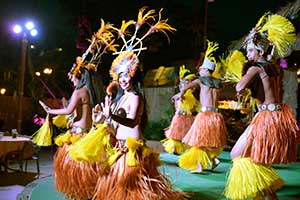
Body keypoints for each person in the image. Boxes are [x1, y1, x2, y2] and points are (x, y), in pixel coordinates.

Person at [92, 7, 186, 200]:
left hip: (132, 150)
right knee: (116, 188)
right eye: (120, 76)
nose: (123, 79)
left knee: (130, 188)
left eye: (126, 75)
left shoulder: (135, 97)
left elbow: (133, 122)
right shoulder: (120, 97)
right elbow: (115, 125)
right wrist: (102, 119)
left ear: (133, 76)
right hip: (119, 148)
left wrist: (112, 114)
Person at [224, 13, 299, 200]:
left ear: (259, 51)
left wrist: (245, 77)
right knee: (259, 159)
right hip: (277, 117)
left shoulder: (256, 67)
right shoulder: (272, 67)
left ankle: (264, 192)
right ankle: (265, 194)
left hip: (265, 118)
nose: (248, 54)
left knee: (236, 154)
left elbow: (239, 87)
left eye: (250, 51)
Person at [177, 40, 227, 173]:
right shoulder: (218, 83)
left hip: (205, 115)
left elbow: (186, 87)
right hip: (217, 116)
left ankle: (199, 166)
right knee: (210, 140)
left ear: (206, 69)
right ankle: (213, 159)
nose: (199, 71)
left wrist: (180, 95)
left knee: (198, 140)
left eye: (201, 69)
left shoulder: (200, 80)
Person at [162, 65, 200, 154]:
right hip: (178, 117)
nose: (182, 86)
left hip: (188, 117)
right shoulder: (177, 97)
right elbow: (176, 106)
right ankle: (176, 148)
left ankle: (187, 150)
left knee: (187, 135)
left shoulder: (191, 97)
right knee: (175, 135)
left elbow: (194, 108)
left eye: (185, 84)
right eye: (181, 84)